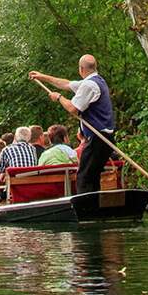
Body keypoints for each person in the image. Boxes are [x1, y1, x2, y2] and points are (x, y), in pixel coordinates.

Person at [29, 54, 116, 194]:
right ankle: (96, 205)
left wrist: (59, 98)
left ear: (81, 69)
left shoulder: (89, 85)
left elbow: (73, 109)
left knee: (84, 177)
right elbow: (65, 83)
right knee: (92, 175)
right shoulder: (97, 81)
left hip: (98, 137)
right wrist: (42, 77)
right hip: (105, 137)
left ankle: (87, 210)